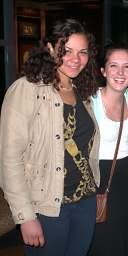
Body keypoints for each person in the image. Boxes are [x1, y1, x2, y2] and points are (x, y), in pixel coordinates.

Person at [0, 19, 101, 255]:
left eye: (82, 52)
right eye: (66, 51)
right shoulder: (26, 89)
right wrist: (25, 216)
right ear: (49, 48)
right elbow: (9, 158)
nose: (75, 59)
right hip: (47, 207)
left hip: (85, 203)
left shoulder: (82, 91)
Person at [89, 43, 128, 255]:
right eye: (114, 65)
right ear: (103, 70)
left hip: (124, 180)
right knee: (102, 242)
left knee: (123, 239)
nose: (120, 72)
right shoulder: (90, 102)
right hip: (98, 180)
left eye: (127, 67)